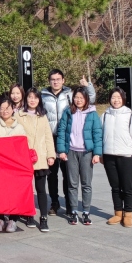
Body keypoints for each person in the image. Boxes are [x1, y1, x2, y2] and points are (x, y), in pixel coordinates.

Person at [41, 70, 96, 215]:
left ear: (63, 80)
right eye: (53, 79)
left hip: (67, 138)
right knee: (51, 174)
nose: (55, 82)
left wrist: (87, 86)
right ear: (49, 81)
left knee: (68, 173)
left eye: (58, 79)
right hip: (50, 138)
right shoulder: (43, 95)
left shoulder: (70, 94)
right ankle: (54, 203)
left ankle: (70, 204)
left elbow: (89, 99)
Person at [56, 87, 102, 226]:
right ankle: (74, 212)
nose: (79, 100)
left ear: (86, 99)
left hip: (87, 153)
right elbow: (61, 131)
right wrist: (61, 150)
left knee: (86, 184)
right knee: (72, 184)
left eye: (81, 98)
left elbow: (97, 134)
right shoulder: (68, 112)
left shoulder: (92, 114)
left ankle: (86, 212)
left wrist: (97, 153)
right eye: (76, 97)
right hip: (71, 151)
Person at [15, 88, 55, 232]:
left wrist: (51, 155)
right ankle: (29, 215)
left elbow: (48, 136)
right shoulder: (18, 115)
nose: (32, 100)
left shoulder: (42, 116)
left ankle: (43, 218)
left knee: (41, 189)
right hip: (23, 157)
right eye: (30, 97)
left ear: (39, 100)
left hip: (40, 157)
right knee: (27, 189)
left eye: (35, 98)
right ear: (26, 99)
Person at [102, 87, 132, 228]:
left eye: (118, 97)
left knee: (127, 187)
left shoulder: (129, 116)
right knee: (115, 187)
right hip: (109, 156)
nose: (116, 100)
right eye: (113, 97)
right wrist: (100, 154)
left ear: (123, 99)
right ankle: (118, 213)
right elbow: (100, 135)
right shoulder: (105, 115)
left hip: (126, 156)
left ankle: (128, 214)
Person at [0, 98, 26, 233]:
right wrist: (11, 141)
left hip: (14, 165)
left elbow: (22, 144)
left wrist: (7, 142)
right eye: (2, 108)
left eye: (8, 108)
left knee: (14, 193)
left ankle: (13, 220)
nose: (5, 111)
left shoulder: (19, 127)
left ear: (12, 110)